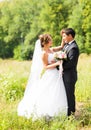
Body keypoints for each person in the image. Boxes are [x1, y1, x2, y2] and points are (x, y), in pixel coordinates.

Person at [17, 34, 68, 119]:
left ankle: (56, 111)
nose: (52, 41)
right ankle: (47, 111)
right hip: (50, 74)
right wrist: (57, 63)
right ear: (45, 42)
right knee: (48, 92)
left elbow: (61, 47)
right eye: (50, 40)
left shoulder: (51, 50)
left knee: (56, 92)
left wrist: (63, 36)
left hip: (56, 73)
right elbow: (45, 67)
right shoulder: (44, 53)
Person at [61, 28, 79, 116]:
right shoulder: (66, 45)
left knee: (69, 96)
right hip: (65, 75)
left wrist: (59, 66)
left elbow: (71, 63)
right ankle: (66, 113)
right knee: (65, 95)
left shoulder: (74, 48)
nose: (63, 38)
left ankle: (71, 115)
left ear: (70, 36)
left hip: (70, 76)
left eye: (64, 36)